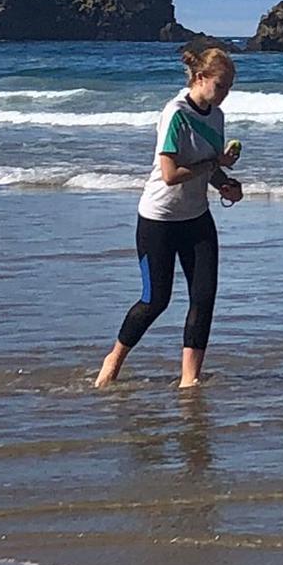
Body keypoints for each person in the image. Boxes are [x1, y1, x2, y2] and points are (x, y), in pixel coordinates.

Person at [95, 45, 244, 390]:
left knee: (203, 298)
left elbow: (209, 168)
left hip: (197, 218)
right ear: (201, 78)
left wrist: (226, 185)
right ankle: (113, 359)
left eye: (230, 87)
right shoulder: (175, 113)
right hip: (158, 220)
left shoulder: (216, 117)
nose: (225, 94)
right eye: (220, 85)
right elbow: (170, 174)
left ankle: (188, 379)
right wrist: (213, 166)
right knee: (155, 300)